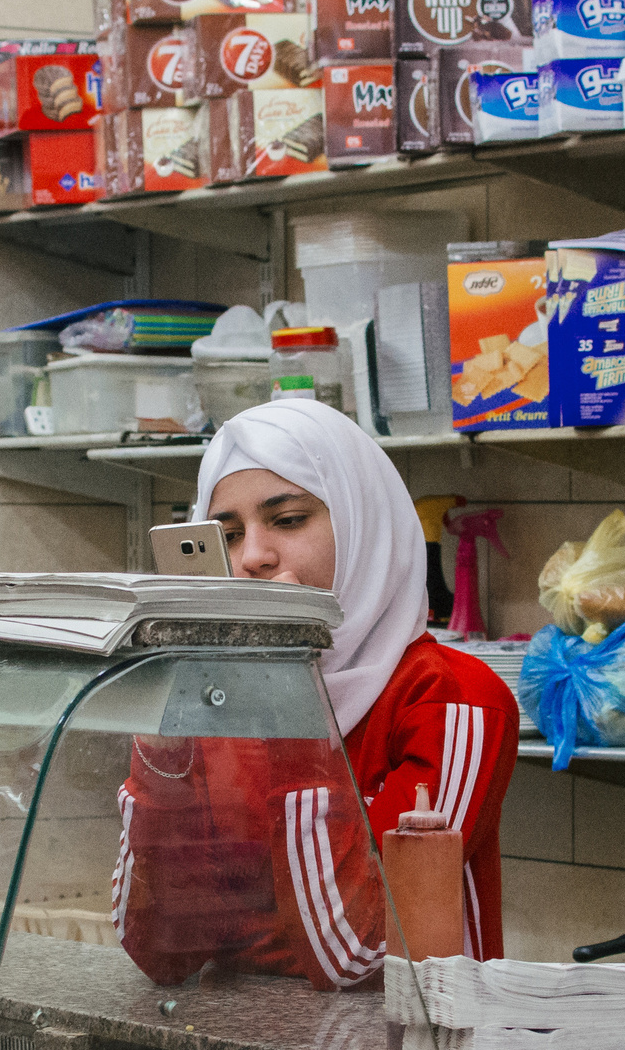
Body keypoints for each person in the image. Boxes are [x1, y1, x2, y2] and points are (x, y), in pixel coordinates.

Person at [113, 401, 517, 989]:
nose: (252, 557)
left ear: (361, 525)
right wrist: (161, 754)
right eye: (227, 535)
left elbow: (366, 952)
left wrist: (289, 702)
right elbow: (161, 948)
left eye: (288, 519)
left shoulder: (456, 701)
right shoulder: (216, 701)